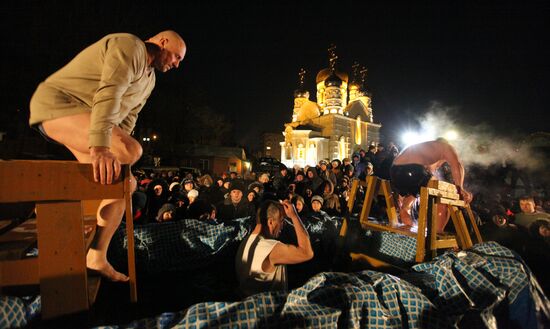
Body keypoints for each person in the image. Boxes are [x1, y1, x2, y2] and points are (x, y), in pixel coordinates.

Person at [28, 31, 186, 281]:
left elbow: (128, 119)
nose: (177, 64)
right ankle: (56, 213)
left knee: (126, 183)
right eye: (177, 56)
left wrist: (118, 154)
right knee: (132, 150)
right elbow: (109, 94)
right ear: (163, 42)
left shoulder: (150, 79)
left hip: (91, 121)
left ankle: (96, 254)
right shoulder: (130, 47)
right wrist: (102, 147)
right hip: (59, 106)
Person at [390, 138, 473, 233]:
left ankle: (407, 224)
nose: (440, 165)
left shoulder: (426, 149)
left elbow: (423, 179)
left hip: (394, 171)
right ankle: (437, 233)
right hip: (413, 169)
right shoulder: (445, 147)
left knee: (408, 202)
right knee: (443, 196)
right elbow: (457, 165)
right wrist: (460, 188)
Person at [235, 200, 313, 297]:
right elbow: (307, 253)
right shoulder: (270, 248)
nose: (283, 226)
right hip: (270, 309)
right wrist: (294, 216)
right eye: (281, 221)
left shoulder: (245, 242)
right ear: (270, 222)